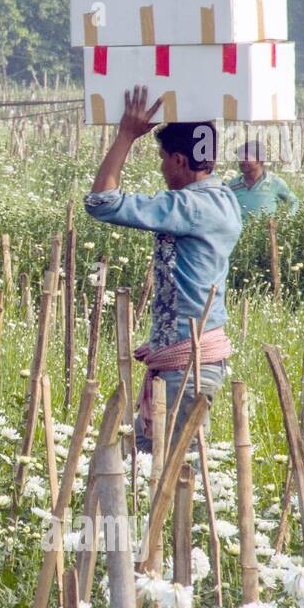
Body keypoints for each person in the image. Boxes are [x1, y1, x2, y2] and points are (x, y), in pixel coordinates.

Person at [83, 86, 243, 454]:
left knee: (161, 468)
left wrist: (126, 135)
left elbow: (101, 202)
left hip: (185, 372)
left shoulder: (189, 206)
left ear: (179, 161)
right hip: (197, 361)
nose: (161, 168)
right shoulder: (227, 200)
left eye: (162, 159)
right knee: (159, 461)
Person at [226, 138, 298, 217]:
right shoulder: (233, 184)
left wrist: (285, 222)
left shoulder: (275, 183)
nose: (241, 162)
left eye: (245, 158)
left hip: (263, 229)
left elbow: (294, 202)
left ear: (259, 160)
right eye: (239, 158)